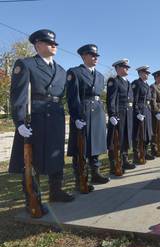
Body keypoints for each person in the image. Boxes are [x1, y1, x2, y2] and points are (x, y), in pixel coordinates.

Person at [9, 29, 74, 216]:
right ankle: (32, 199)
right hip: (35, 118)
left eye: (55, 43)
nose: (54, 45)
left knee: (56, 155)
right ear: (37, 45)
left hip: (55, 116)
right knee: (32, 159)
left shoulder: (61, 71)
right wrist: (20, 122)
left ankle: (56, 191)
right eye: (48, 42)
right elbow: (18, 96)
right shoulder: (26, 64)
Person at [66, 44, 109, 192]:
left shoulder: (100, 76)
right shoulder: (75, 72)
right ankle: (80, 179)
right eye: (92, 55)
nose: (95, 58)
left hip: (97, 111)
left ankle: (95, 173)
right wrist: (76, 116)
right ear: (83, 56)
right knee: (81, 147)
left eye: (96, 55)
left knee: (95, 144)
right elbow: (72, 97)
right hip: (83, 111)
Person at [106, 59, 135, 174]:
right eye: (125, 67)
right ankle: (114, 165)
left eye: (128, 67)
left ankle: (124, 160)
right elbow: (111, 99)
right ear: (118, 68)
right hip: (119, 115)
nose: (127, 68)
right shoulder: (114, 81)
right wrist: (112, 114)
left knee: (126, 138)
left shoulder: (128, 82)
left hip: (128, 114)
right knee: (115, 141)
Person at [132, 66, 154, 164]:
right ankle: (136, 155)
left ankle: (144, 152)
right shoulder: (136, 84)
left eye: (148, 73)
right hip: (140, 111)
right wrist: (137, 113)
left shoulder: (147, 85)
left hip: (147, 111)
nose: (147, 75)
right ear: (140, 73)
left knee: (147, 134)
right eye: (145, 73)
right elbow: (134, 100)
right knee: (138, 135)